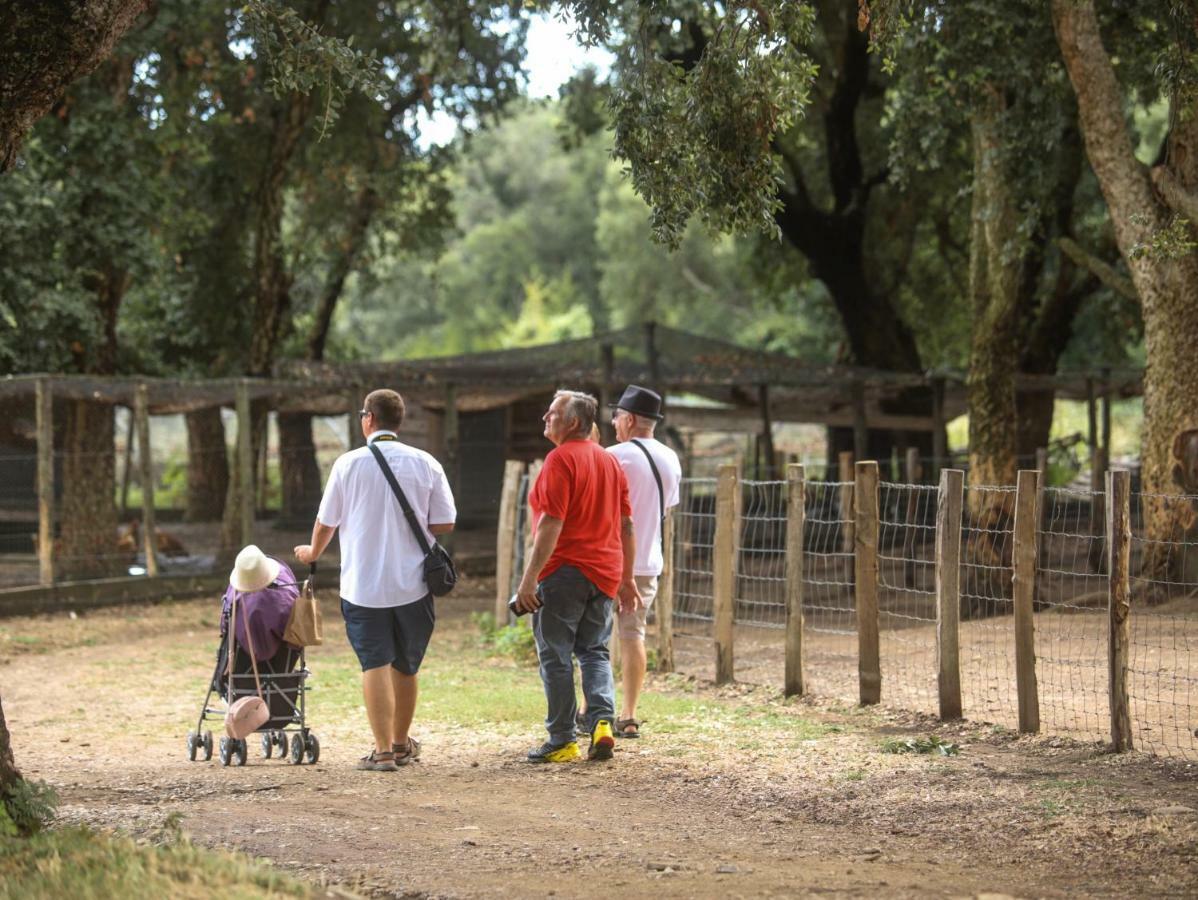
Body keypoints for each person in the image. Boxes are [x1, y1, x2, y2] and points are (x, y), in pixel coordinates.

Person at [295, 389, 456, 772]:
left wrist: (312, 553)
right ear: (398, 422)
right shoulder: (425, 463)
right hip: (413, 584)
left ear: (368, 418)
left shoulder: (347, 465)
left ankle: (382, 751)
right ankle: (401, 744)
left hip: (363, 587)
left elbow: (325, 522)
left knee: (374, 665)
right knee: (406, 666)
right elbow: (445, 522)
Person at [513, 390, 640, 763]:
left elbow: (551, 523)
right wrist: (626, 578)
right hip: (605, 572)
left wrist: (529, 578)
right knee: (595, 651)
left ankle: (562, 739)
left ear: (571, 422)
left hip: (564, 571)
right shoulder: (609, 462)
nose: (545, 419)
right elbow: (627, 524)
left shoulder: (559, 460)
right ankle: (602, 722)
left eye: (552, 414)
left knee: (555, 656)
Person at [606, 385, 682, 738]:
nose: (613, 422)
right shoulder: (671, 458)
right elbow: (665, 510)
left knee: (595, 637)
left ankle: (594, 709)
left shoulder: (612, 456)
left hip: (608, 560)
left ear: (631, 419)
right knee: (633, 634)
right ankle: (630, 714)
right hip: (648, 561)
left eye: (617, 416)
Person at [222, 544, 300, 664]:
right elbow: (297, 635)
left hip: (242, 658)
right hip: (282, 659)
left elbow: (225, 625)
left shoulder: (234, 596)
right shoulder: (286, 595)